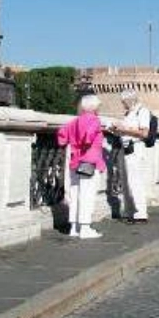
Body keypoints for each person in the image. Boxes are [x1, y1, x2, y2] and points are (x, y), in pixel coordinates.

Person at [57, 94, 107, 239]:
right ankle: (85, 228)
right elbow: (89, 136)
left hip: (74, 160)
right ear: (95, 107)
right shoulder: (94, 120)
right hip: (89, 161)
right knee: (87, 194)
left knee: (74, 193)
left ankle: (74, 227)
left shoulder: (74, 121)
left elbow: (61, 136)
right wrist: (85, 142)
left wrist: (75, 142)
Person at [111, 89, 151, 224]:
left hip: (135, 149)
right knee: (126, 182)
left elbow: (144, 133)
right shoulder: (129, 113)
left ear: (130, 100)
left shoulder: (143, 111)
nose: (123, 105)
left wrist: (123, 129)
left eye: (124, 102)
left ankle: (140, 214)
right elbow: (126, 131)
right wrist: (116, 130)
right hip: (125, 148)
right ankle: (130, 212)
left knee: (135, 181)